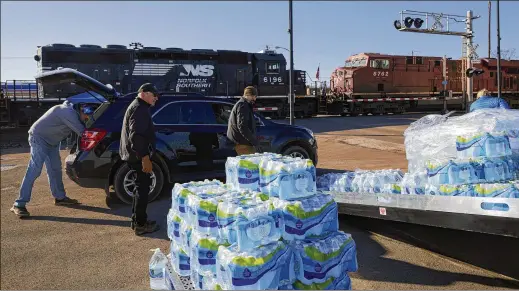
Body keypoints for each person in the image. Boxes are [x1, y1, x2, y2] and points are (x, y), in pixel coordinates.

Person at [10, 100, 89, 218]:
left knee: (55, 169)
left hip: (52, 142)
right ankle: (19, 204)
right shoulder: (68, 113)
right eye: (86, 116)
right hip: (39, 138)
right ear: (80, 110)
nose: (87, 118)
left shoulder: (72, 112)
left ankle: (60, 197)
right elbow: (83, 132)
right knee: (34, 170)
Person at [120, 83, 160, 235]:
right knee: (142, 189)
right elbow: (136, 136)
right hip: (137, 156)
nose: (156, 98)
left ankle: (137, 220)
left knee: (140, 188)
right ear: (144, 93)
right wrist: (144, 157)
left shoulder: (138, 106)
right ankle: (141, 225)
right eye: (154, 94)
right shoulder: (139, 109)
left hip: (133, 155)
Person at [227, 86, 261, 155]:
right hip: (242, 143)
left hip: (241, 141)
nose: (254, 99)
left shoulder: (243, 104)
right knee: (248, 163)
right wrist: (253, 141)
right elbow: (242, 126)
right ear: (247, 95)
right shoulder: (243, 105)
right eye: (253, 96)